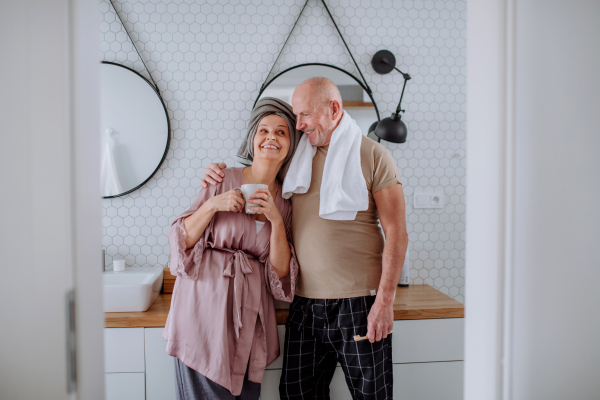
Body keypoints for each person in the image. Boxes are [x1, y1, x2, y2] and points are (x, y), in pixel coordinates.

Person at [202, 77, 408, 400]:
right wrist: (216, 171)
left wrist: (384, 302)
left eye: (304, 116)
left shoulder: (374, 156)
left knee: (373, 396)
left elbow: (397, 233)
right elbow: (260, 166)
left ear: (334, 109)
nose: (298, 125)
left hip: (359, 304)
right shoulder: (297, 158)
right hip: (304, 304)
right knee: (295, 394)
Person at [164, 97, 302, 400]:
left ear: (292, 144)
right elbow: (182, 240)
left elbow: (280, 277)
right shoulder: (222, 178)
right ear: (252, 139)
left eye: (282, 132)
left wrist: (276, 221)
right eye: (263, 130)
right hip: (202, 308)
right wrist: (215, 203)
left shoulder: (288, 203)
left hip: (249, 316)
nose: (271, 138)